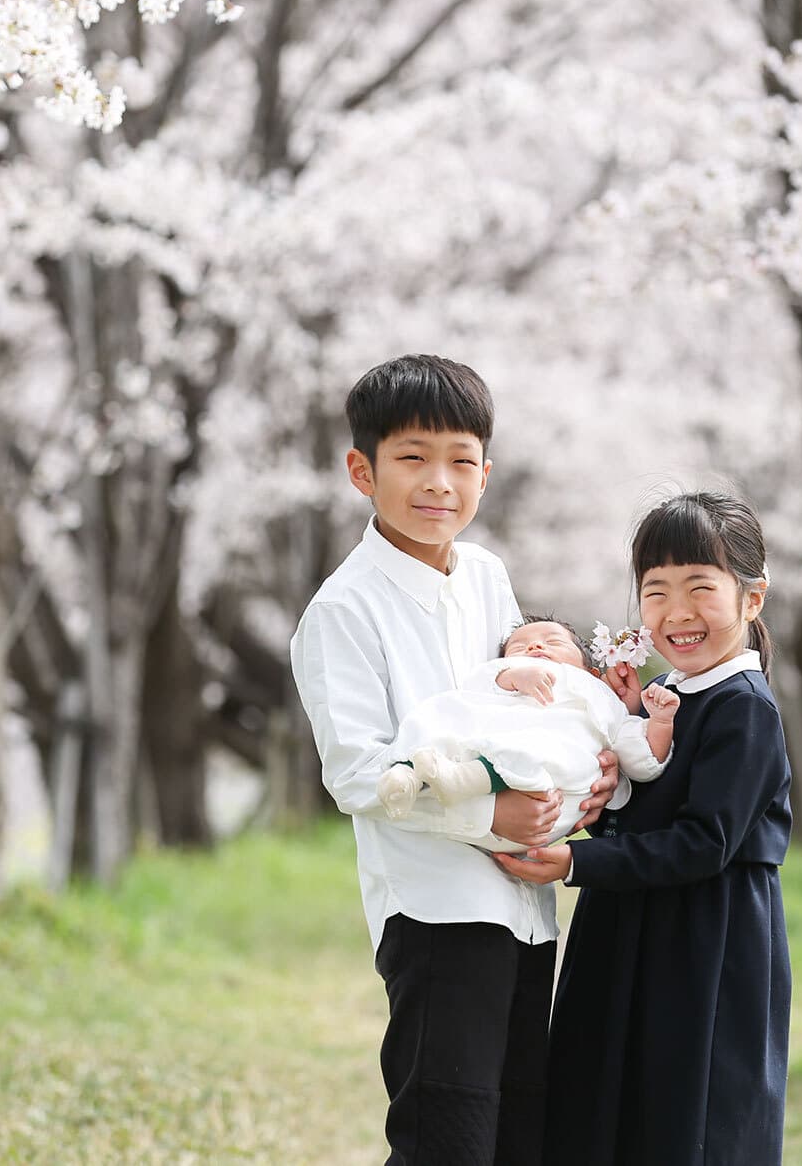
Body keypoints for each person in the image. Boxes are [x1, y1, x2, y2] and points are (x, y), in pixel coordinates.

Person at [289, 354, 620, 1166]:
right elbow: (357, 770)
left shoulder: (485, 576)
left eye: (461, 461)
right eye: (413, 458)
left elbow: (521, 704)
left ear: (487, 473)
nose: (440, 482)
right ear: (362, 469)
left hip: (523, 904)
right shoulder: (344, 610)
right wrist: (489, 814)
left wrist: (591, 768)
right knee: (448, 1133)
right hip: (435, 907)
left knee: (518, 1127)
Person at [495, 491, 793, 1166]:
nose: (676, 613)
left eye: (699, 587)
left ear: (752, 599)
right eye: (655, 591)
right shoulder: (669, 699)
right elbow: (640, 815)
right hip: (631, 929)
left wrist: (575, 863)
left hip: (704, 947)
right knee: (605, 1108)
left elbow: (703, 843)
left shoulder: (745, 709)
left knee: (683, 1121)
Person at [377, 616, 680, 853]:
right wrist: (509, 675)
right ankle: (408, 774)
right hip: (488, 792)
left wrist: (659, 722)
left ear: (591, 672)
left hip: (543, 801)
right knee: (440, 710)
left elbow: (639, 760)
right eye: (520, 647)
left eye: (552, 642)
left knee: (550, 748)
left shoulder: (600, 696)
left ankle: (464, 779)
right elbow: (474, 686)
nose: (535, 648)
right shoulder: (501, 680)